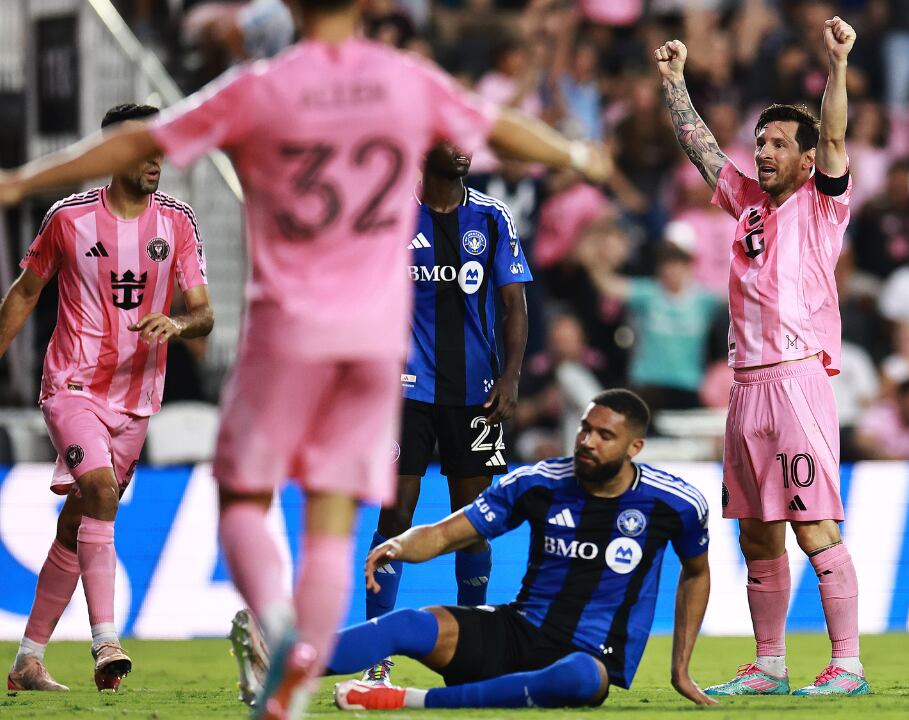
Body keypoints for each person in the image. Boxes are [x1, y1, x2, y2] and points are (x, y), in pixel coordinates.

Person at [0, 2, 610, 716]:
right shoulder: (405, 79)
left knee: (243, 499)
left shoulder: (263, 85)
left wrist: (18, 182)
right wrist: (574, 154)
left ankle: (279, 626)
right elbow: (496, 125)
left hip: (287, 331)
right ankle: (295, 681)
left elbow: (143, 136)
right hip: (375, 343)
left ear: (292, 8)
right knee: (330, 517)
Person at [232, 390, 716, 710]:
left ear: (634, 448)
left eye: (604, 436)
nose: (587, 441)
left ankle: (405, 700)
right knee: (410, 624)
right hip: (516, 632)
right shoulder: (538, 483)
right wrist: (398, 545)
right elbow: (448, 533)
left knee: (583, 679)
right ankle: (280, 658)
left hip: (589, 656)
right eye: (584, 429)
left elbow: (696, 572)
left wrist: (680, 668)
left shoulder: (675, 504)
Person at [655, 16, 871, 696]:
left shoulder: (820, 203)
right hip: (744, 389)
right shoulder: (746, 203)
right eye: (761, 141)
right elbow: (701, 151)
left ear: (809, 159)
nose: (765, 151)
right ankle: (770, 664)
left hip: (796, 380)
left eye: (780, 142)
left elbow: (834, 131)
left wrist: (837, 66)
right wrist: (674, 84)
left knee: (814, 527)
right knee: (756, 534)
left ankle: (847, 664)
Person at [1, 104, 214, 693]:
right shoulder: (68, 219)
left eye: (161, 148)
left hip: (138, 401)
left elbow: (205, 315)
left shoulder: (178, 223)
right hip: (72, 385)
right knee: (98, 493)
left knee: (78, 522)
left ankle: (28, 660)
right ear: (115, 153)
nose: (156, 160)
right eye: (144, 148)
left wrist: (178, 324)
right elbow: (24, 293)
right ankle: (106, 643)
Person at [358, 141, 533, 687]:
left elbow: (514, 304)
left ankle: (468, 658)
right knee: (395, 513)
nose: (461, 150)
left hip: (477, 393)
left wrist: (510, 377)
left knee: (475, 521)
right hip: (405, 392)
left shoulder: (491, 216)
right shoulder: (391, 219)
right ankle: (376, 653)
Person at [584, 242, 722, 412]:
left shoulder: (703, 300)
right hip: (649, 383)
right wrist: (594, 260)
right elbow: (609, 286)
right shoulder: (649, 294)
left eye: (677, 266)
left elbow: (736, 295)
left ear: (688, 268)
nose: (672, 272)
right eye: (667, 266)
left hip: (688, 385)